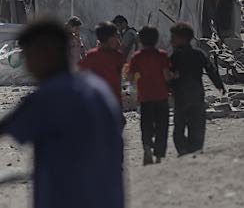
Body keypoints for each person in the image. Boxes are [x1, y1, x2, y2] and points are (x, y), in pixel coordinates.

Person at [0, 21, 124, 208]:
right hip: (108, 204)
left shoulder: (48, 97)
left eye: (30, 56)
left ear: (47, 54)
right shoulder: (98, 90)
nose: (28, 65)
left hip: (65, 206)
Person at [168, 22, 225, 156]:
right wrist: (219, 85)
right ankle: (195, 148)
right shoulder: (199, 54)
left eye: (173, 38)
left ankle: (183, 149)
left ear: (182, 39)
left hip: (181, 96)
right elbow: (211, 70)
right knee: (197, 123)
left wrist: (168, 88)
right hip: (196, 94)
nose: (170, 41)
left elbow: (168, 75)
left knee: (180, 125)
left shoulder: (174, 57)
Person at [128, 26, 171, 165]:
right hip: (161, 95)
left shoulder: (137, 57)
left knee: (146, 124)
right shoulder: (162, 55)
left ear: (140, 40)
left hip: (145, 97)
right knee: (162, 126)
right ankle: (158, 155)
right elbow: (166, 76)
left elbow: (129, 77)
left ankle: (147, 147)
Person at [78, 22, 125, 107]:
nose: (118, 39)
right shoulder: (117, 56)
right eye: (116, 36)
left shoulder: (91, 55)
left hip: (101, 98)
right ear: (110, 38)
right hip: (109, 98)